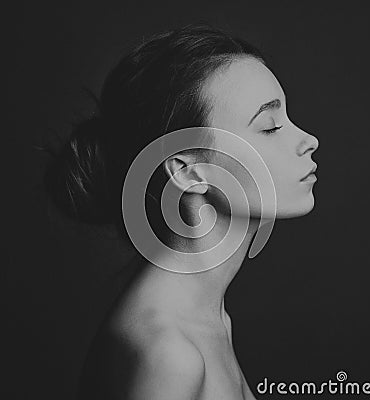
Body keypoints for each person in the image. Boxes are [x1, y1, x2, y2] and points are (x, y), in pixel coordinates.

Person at [44, 23, 319, 400]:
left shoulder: (209, 318)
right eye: (270, 127)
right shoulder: (167, 353)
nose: (308, 140)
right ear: (188, 171)